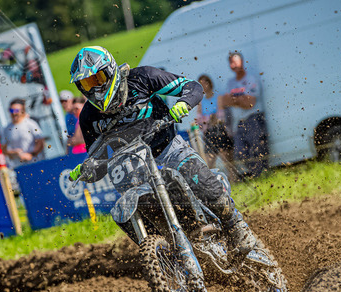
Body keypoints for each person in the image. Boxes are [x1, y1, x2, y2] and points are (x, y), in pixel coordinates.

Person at [68, 46, 272, 267]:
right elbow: (98, 160)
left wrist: (183, 104)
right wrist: (88, 169)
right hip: (131, 168)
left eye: (97, 78)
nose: (94, 87)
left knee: (193, 172)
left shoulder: (142, 77)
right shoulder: (88, 116)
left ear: (110, 71)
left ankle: (236, 226)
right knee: (123, 210)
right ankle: (167, 258)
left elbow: (192, 87)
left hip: (167, 149)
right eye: (86, 84)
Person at [219, 52, 268, 177]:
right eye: (231, 63)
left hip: (254, 118)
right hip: (239, 122)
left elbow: (250, 103)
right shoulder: (230, 83)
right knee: (240, 153)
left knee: (258, 149)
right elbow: (224, 101)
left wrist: (234, 100)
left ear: (242, 62)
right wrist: (241, 99)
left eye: (235, 61)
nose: (233, 65)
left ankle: (262, 176)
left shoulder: (251, 79)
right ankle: (256, 175)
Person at [196, 74, 236, 179]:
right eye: (201, 84)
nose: (203, 86)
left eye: (205, 83)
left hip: (221, 130)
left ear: (209, 83)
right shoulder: (201, 102)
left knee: (227, 158)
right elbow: (199, 120)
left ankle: (233, 179)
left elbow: (221, 116)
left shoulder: (218, 98)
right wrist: (210, 118)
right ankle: (211, 182)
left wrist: (208, 119)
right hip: (209, 133)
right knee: (209, 160)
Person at [1, 98, 45, 168]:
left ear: (22, 111)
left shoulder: (30, 124)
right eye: (11, 110)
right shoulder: (6, 129)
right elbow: (3, 149)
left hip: (34, 164)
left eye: (16, 110)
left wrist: (31, 155)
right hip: (17, 167)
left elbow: (40, 142)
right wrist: (15, 153)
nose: (14, 113)